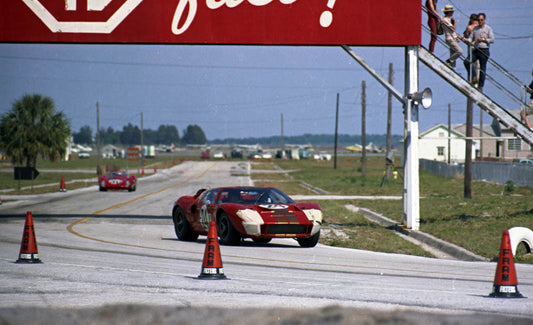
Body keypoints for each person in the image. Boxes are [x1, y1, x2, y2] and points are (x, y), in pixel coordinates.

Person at [466, 13, 495, 91]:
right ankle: (474, 76)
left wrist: (483, 40)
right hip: (476, 49)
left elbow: (492, 40)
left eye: (481, 20)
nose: (480, 21)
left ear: (484, 20)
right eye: (479, 20)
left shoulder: (488, 29)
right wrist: (468, 41)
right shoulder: (475, 29)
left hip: (484, 50)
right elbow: (470, 38)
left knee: (482, 69)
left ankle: (480, 86)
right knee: (467, 61)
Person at [441, 5, 462, 69]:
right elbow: (453, 28)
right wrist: (455, 22)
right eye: (451, 12)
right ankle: (448, 61)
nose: (452, 13)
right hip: (449, 39)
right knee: (459, 51)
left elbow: (452, 31)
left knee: (453, 54)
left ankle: (452, 68)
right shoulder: (445, 20)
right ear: (449, 12)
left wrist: (456, 37)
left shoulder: (449, 19)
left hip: (452, 38)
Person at [461, 14, 479, 80]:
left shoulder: (469, 27)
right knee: (477, 64)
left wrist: (464, 38)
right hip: (479, 47)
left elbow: (466, 36)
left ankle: (472, 77)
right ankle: (476, 78)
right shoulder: (479, 27)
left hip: (471, 46)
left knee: (470, 62)